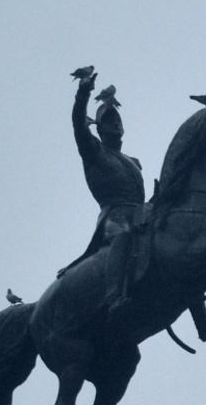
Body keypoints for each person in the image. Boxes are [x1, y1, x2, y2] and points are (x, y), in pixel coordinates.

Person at [59, 65, 148, 286]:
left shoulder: (133, 161)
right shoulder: (93, 151)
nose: (116, 124)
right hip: (114, 216)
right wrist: (83, 93)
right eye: (110, 122)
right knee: (123, 236)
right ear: (99, 129)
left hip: (142, 214)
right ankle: (114, 295)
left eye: (118, 121)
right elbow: (79, 124)